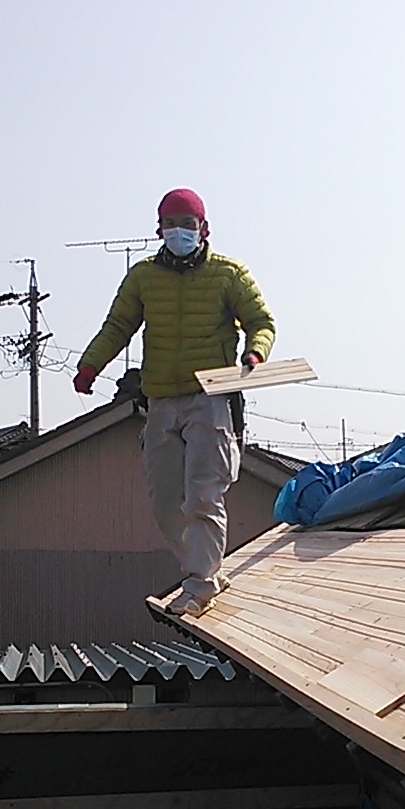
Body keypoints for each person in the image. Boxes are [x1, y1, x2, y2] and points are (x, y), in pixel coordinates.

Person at [73, 188, 275, 616]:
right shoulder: (144, 276)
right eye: (172, 224)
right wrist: (90, 365)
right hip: (161, 399)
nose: (180, 231)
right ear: (159, 229)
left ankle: (200, 582)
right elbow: (118, 325)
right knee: (166, 501)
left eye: (188, 224)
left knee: (204, 493)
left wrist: (255, 353)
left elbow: (261, 321)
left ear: (204, 229)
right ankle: (204, 569)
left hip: (210, 395)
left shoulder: (228, 273)